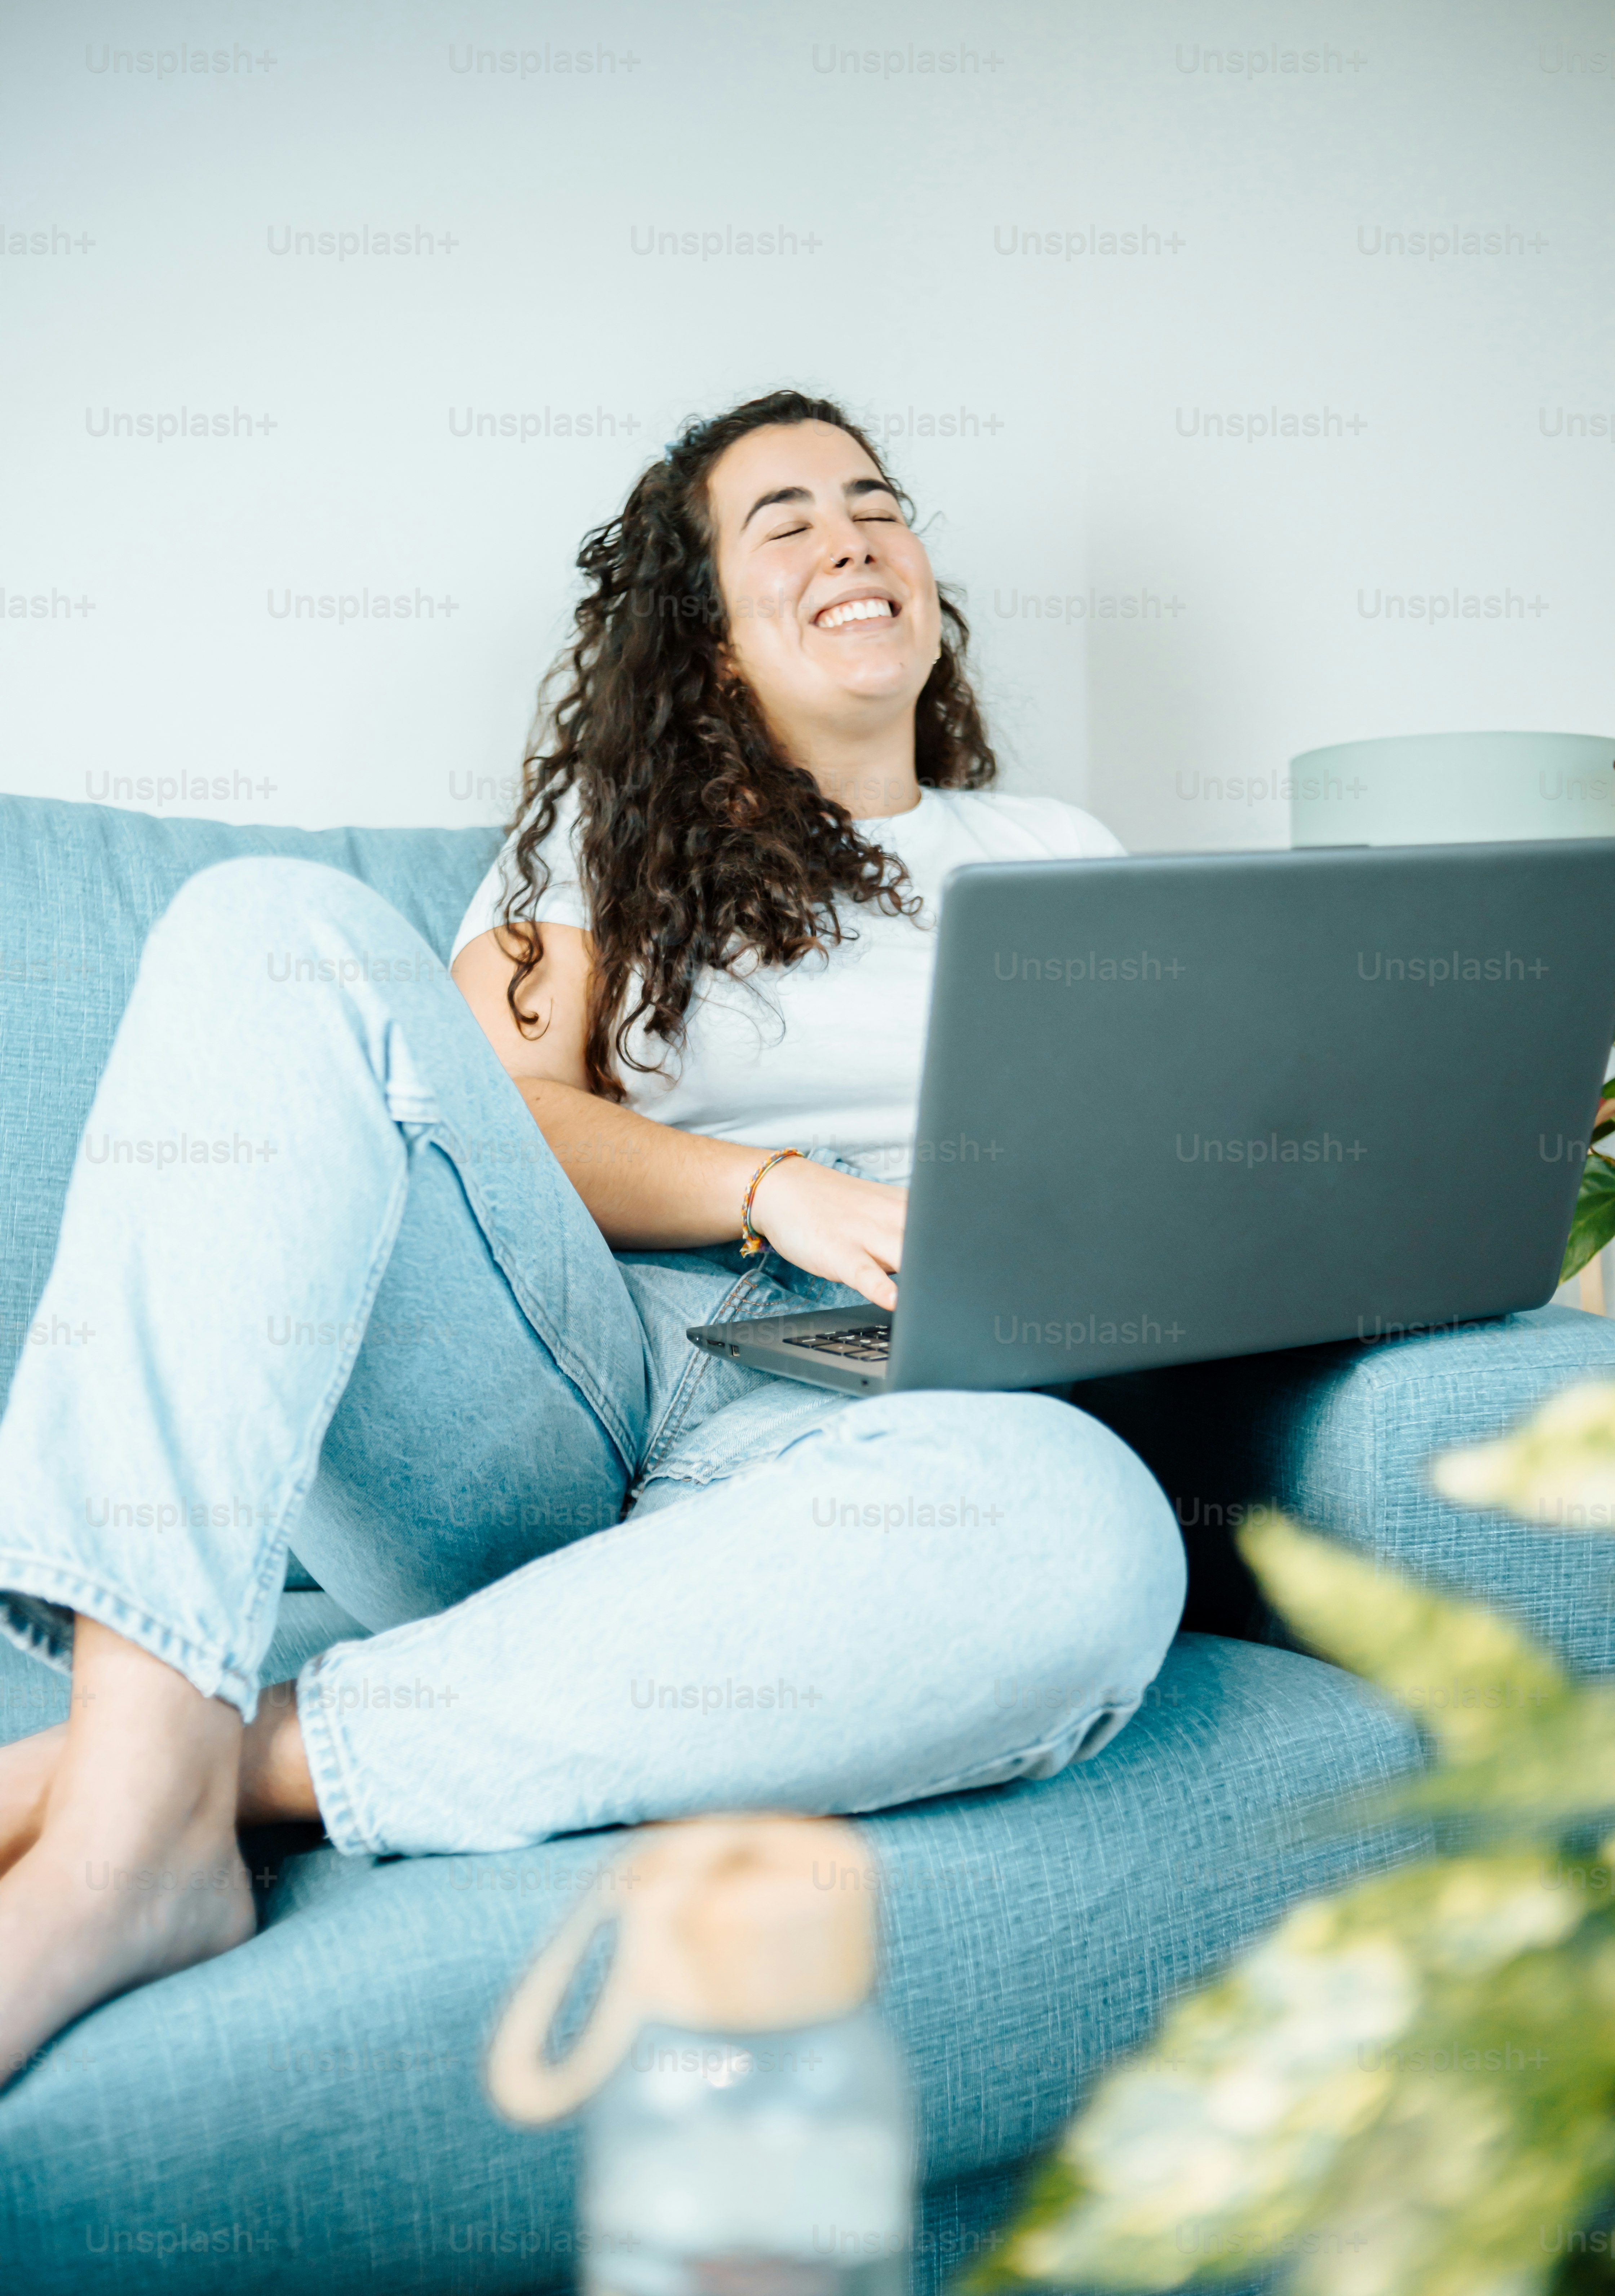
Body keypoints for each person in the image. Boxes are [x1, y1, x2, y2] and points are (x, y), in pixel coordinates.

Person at [0, 391, 1185, 2083]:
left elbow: (1138, 1182)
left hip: (880, 1431)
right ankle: (127, 1845)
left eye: (877, 502)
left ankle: (179, 1767)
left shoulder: (1062, 859)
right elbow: (508, 1113)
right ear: (705, 639)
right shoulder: (604, 841)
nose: (851, 533)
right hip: (578, 1371)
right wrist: (776, 1188)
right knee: (264, 926)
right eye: (781, 519)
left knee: (1089, 1539)